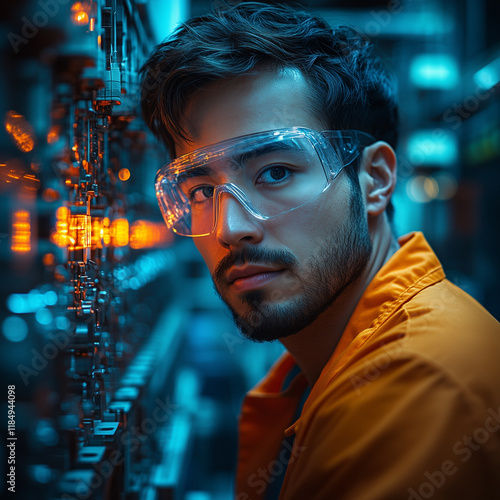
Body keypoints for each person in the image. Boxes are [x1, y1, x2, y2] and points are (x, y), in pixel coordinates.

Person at [140, 2, 500, 499]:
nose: (230, 228)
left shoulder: (419, 382)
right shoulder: (324, 364)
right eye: (201, 191)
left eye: (276, 172)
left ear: (374, 180)